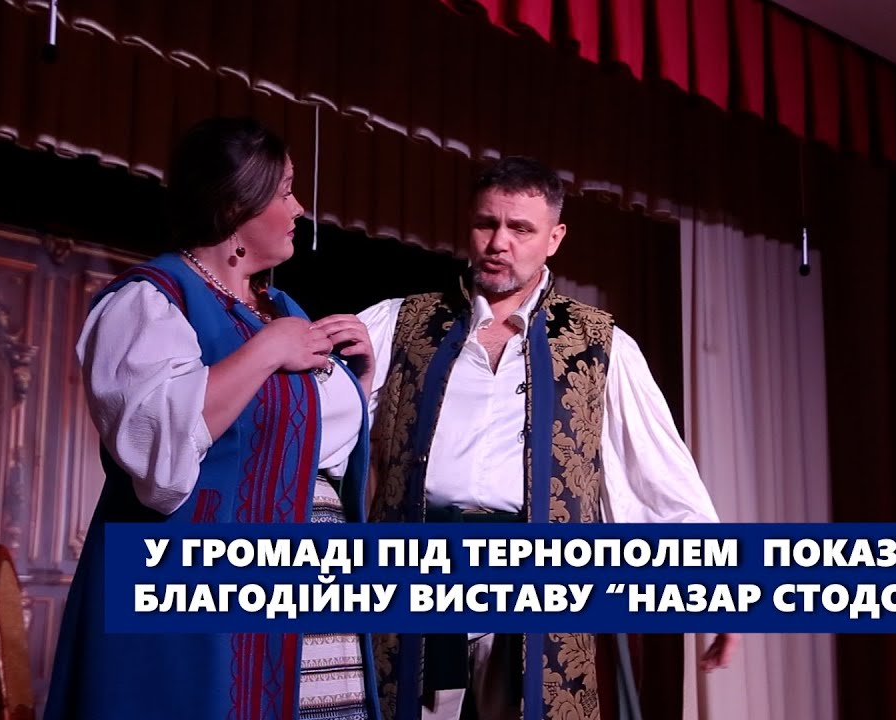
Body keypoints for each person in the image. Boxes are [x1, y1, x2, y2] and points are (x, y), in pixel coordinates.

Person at [358, 156, 738, 720]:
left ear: (554, 238)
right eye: (486, 223)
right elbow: (319, 430)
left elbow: (657, 475)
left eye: (520, 228)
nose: (498, 243)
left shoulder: (599, 345)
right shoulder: (400, 323)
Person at [45, 116, 381, 720]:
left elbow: (315, 451)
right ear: (234, 207)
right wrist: (267, 350)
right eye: (285, 192)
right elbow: (159, 456)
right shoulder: (151, 301)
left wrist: (356, 382)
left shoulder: (279, 307)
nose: (299, 209)